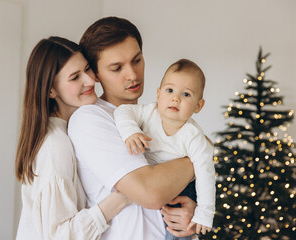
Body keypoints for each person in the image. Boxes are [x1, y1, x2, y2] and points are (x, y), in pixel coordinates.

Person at [68, 17, 199, 240]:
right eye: (117, 68)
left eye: (136, 60)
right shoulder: (90, 118)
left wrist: (189, 213)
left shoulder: (153, 116)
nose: (132, 75)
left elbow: (169, 189)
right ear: (96, 75)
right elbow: (151, 193)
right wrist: (201, 154)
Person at [15, 36, 132, 240]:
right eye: (75, 77)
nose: (90, 80)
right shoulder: (55, 146)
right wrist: (126, 194)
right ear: (51, 90)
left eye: (87, 69)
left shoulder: (70, 130)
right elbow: (60, 235)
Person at [114, 59, 216, 239]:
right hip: (151, 179)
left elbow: (206, 175)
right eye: (170, 90)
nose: (175, 98)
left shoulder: (193, 136)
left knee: (176, 230)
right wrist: (131, 132)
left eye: (186, 94)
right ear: (159, 94)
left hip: (182, 188)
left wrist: (205, 213)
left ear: (198, 106)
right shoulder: (149, 112)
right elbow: (123, 111)